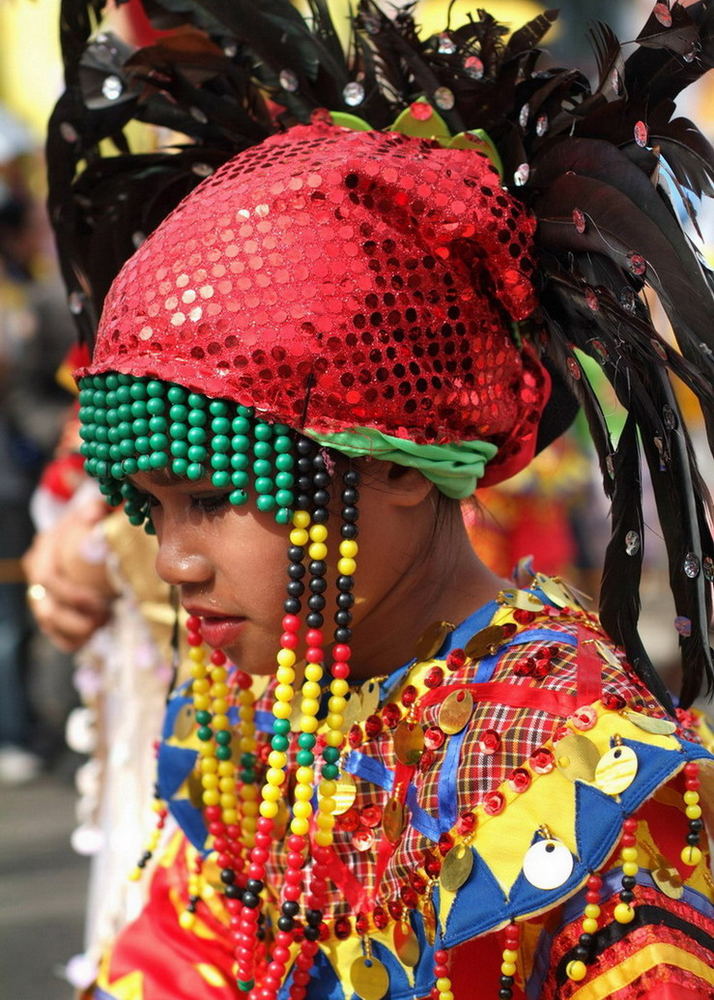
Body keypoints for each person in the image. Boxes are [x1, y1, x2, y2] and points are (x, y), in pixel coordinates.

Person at [44, 2, 714, 998]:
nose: (175, 559)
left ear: (402, 458)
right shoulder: (248, 705)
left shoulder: (584, 774)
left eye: (217, 493)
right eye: (151, 507)